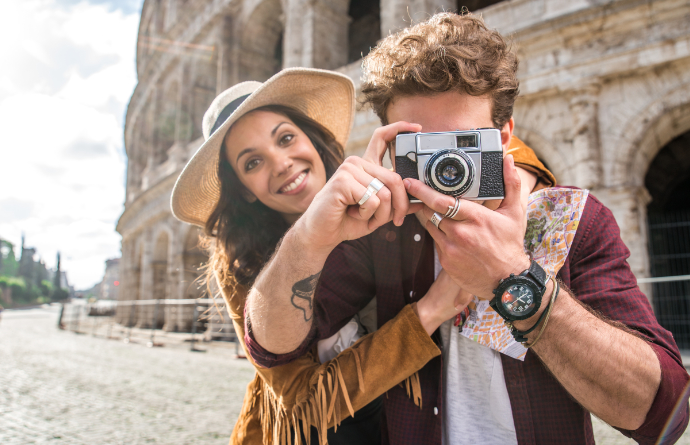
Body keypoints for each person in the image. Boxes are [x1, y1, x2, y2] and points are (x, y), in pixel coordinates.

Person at [244, 13, 690, 445]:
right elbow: (274, 350)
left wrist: (514, 276)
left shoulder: (570, 220)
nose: (447, 166)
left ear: (504, 135)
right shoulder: (381, 231)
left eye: (463, 144)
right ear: (391, 146)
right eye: (422, 148)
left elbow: (662, 415)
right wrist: (309, 238)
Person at [171, 68, 548, 444]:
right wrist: (431, 310)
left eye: (286, 138)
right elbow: (305, 403)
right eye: (252, 162)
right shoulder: (240, 263)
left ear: (313, 140)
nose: (281, 163)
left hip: (405, 420)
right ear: (245, 190)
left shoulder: (376, 189)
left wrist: (516, 182)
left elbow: (496, 146)